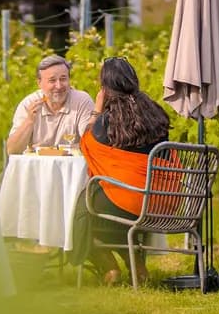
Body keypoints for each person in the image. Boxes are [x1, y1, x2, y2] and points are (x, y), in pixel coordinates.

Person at [73, 57, 171, 285]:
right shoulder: (155, 114)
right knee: (110, 199)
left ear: (105, 88)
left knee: (81, 209)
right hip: (162, 201)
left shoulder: (106, 121)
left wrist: (97, 109)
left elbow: (86, 145)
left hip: (131, 203)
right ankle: (136, 265)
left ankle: (109, 266)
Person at [6, 55, 95, 155]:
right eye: (52, 80)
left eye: (63, 79)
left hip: (71, 168)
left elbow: (91, 145)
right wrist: (29, 121)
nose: (59, 86)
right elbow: (12, 150)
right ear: (39, 83)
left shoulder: (81, 101)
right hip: (37, 168)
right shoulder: (28, 104)